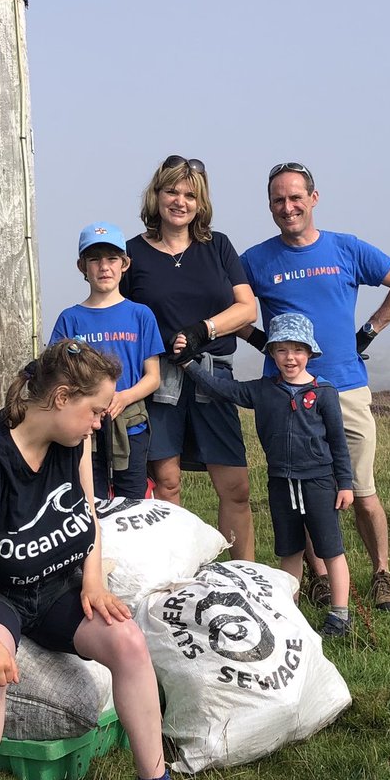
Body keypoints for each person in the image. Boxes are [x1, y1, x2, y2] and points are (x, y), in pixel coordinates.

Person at [0, 340, 206, 780]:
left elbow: (87, 515)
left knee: (128, 641)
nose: (99, 423)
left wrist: (91, 578)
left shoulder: (72, 440)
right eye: (95, 410)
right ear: (61, 398)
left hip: (56, 586)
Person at [240, 162, 390, 612]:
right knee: (300, 486)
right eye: (278, 200)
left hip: (344, 386)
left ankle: (382, 574)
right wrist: (262, 342)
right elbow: (235, 309)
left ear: (314, 199)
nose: (288, 207)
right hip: (284, 395)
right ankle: (320, 577)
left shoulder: (346, 248)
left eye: (296, 197)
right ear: (269, 206)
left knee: (361, 489)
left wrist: (370, 331)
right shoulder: (256, 260)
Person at [180, 313, 355, 638]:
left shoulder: (324, 392)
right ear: (272, 353)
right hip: (280, 483)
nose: (290, 358)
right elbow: (222, 389)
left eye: (298, 351)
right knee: (288, 550)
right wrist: (189, 364)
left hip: (318, 482)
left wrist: (345, 484)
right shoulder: (263, 390)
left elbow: (338, 442)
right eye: (283, 350)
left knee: (330, 548)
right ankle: (288, 612)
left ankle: (340, 616)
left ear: (309, 353)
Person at [121, 155, 257, 559]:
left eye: (189, 195)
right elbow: (121, 313)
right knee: (166, 483)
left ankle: (245, 576)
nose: (180, 201)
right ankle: (172, 575)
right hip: (158, 377)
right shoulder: (132, 254)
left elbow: (247, 309)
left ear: (201, 203)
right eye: (172, 192)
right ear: (156, 195)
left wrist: (204, 330)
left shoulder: (218, 246)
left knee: (236, 486)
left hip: (214, 375)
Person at [49, 222, 164, 500]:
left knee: (133, 499)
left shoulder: (141, 315)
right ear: (82, 267)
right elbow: (56, 373)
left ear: (125, 264)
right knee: (90, 498)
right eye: (94, 259)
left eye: (112, 259)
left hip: (131, 425)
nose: (104, 267)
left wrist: (124, 398)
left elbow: (153, 376)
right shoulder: (70, 318)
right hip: (84, 429)